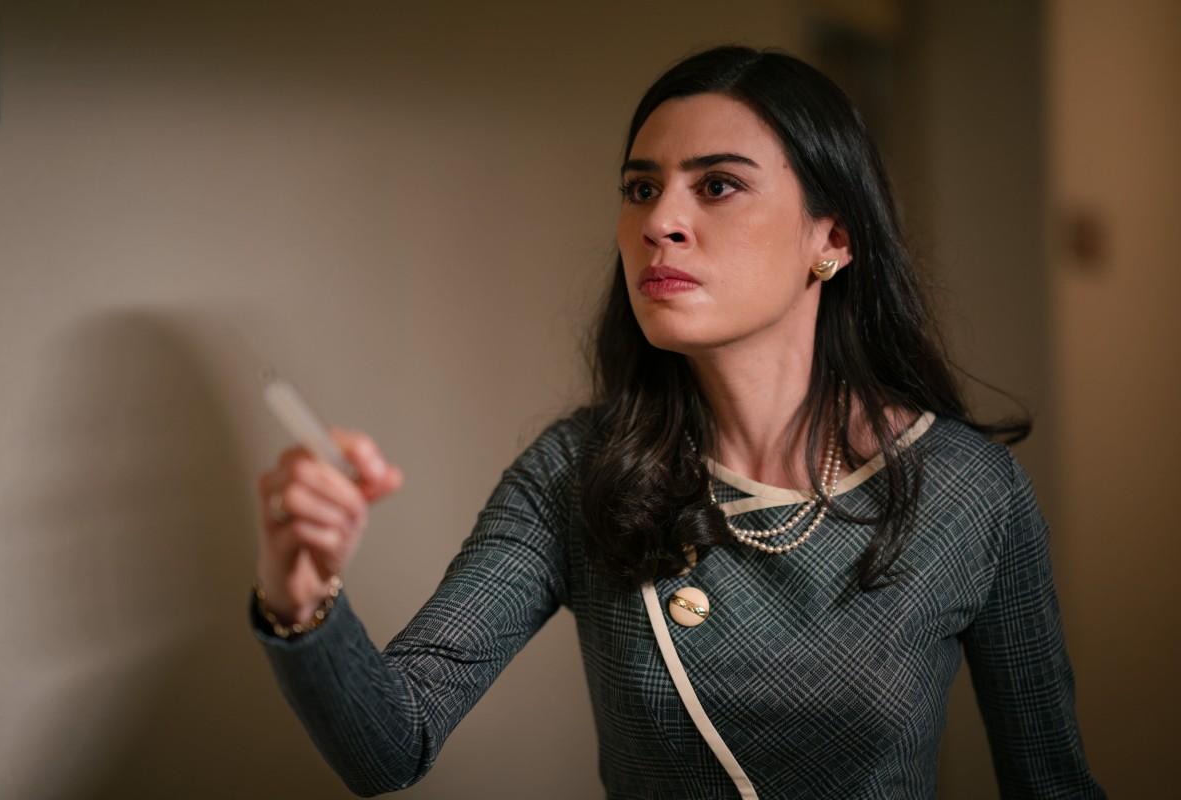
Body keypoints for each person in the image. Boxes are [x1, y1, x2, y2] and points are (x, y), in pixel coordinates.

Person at [249, 46, 1105, 799]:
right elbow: (390, 743)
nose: (659, 222)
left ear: (833, 238)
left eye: (718, 185)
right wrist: (300, 598)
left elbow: (1051, 784)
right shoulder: (576, 472)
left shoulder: (969, 493)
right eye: (641, 188)